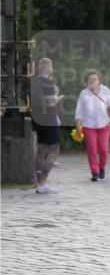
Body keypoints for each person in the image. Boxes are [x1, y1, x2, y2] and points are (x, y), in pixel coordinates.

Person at [74, 71, 110, 182]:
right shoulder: (84, 93)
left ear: (99, 81)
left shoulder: (105, 90)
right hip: (88, 125)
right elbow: (79, 110)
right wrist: (78, 124)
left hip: (104, 124)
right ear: (87, 81)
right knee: (92, 150)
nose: (92, 81)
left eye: (94, 79)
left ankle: (101, 166)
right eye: (90, 79)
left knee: (103, 150)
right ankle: (94, 172)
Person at [30, 57, 63, 193]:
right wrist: (55, 99)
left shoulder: (33, 81)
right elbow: (45, 102)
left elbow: (35, 99)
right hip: (48, 120)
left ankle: (40, 184)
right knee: (54, 150)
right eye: (51, 66)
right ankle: (42, 182)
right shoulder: (47, 81)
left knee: (42, 149)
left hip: (38, 119)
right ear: (48, 67)